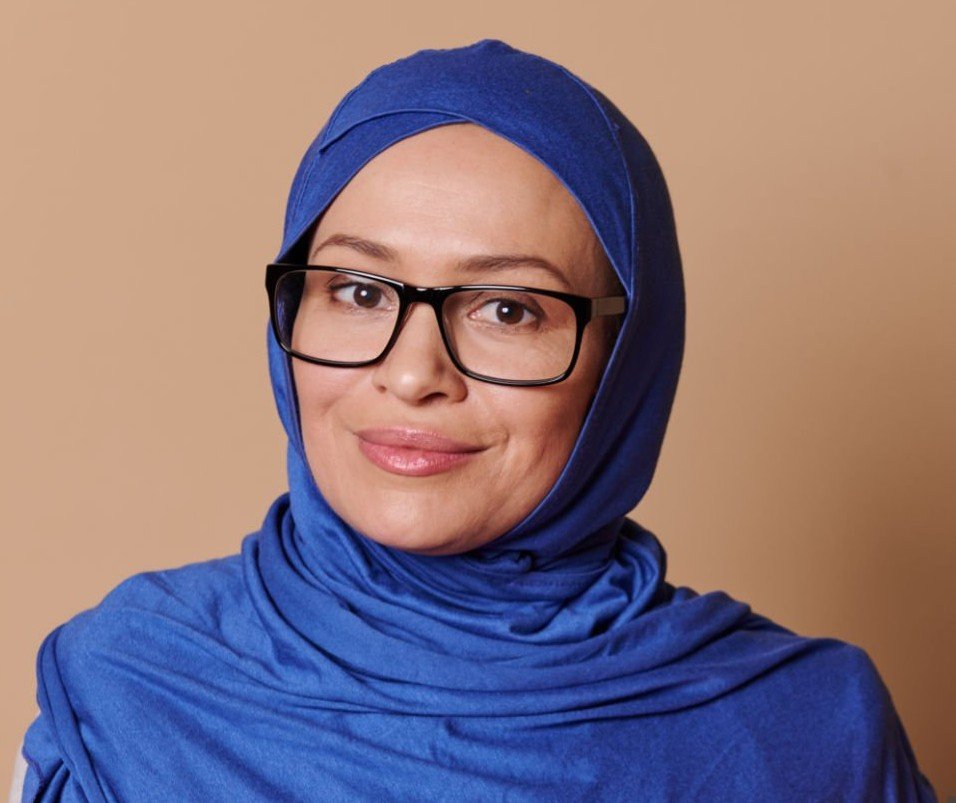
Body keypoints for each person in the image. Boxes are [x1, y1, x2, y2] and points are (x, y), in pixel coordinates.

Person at [13, 39, 937, 802]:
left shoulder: (809, 735)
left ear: (627, 361)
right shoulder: (130, 691)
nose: (414, 373)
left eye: (508, 309)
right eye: (360, 290)